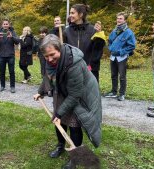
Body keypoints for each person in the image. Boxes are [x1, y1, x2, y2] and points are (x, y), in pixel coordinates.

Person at [33, 34, 102, 167]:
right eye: (46, 56)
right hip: (62, 92)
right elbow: (48, 77)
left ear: (60, 49)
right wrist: (40, 92)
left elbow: (75, 95)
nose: (50, 59)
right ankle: (60, 146)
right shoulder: (50, 63)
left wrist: (59, 113)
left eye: (52, 54)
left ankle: (74, 158)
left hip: (79, 95)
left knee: (74, 125)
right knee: (59, 123)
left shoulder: (73, 64)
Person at [104, 12, 136, 101]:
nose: (118, 20)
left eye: (121, 18)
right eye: (117, 18)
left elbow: (132, 46)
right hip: (113, 57)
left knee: (122, 76)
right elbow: (109, 41)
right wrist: (110, 49)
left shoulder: (129, 32)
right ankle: (114, 92)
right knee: (113, 75)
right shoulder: (114, 31)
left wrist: (121, 52)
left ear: (125, 20)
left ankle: (122, 94)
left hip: (122, 57)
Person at [63, 4, 99, 81]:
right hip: (72, 70)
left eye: (73, 13)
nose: (70, 15)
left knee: (89, 91)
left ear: (81, 15)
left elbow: (97, 50)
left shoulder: (92, 30)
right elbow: (65, 51)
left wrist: (99, 34)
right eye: (70, 13)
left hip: (89, 69)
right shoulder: (67, 31)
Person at [0, 19, 20, 93]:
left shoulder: (12, 32)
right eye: (4, 24)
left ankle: (12, 87)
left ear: (9, 25)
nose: (5, 25)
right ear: (2, 25)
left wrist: (12, 37)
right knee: (2, 72)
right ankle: (2, 86)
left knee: (12, 72)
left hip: (10, 55)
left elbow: (17, 42)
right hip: (1, 55)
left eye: (6, 24)